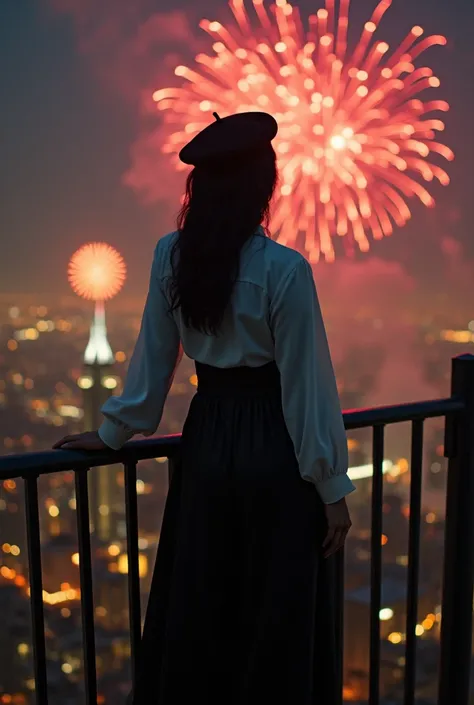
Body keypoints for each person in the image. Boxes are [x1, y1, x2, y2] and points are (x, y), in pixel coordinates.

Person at [54, 111, 355, 704]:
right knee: (270, 611)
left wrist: (115, 432)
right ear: (263, 188)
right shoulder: (285, 271)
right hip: (275, 447)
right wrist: (331, 488)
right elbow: (306, 387)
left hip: (208, 441)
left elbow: (154, 360)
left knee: (205, 599)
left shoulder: (172, 256)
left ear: (201, 187)